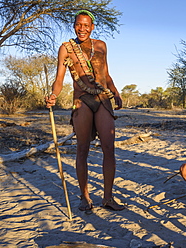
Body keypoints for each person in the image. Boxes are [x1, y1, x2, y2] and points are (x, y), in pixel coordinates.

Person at [45, 10, 124, 213]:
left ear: (92, 27)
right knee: (82, 149)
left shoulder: (101, 46)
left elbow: (105, 74)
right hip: (82, 99)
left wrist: (115, 92)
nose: (82, 28)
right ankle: (85, 197)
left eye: (86, 25)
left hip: (102, 98)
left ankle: (108, 197)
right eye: (79, 24)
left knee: (109, 148)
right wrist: (53, 95)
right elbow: (59, 79)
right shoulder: (66, 49)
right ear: (74, 26)